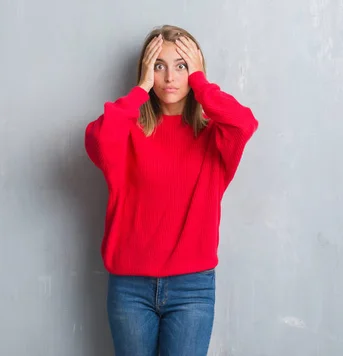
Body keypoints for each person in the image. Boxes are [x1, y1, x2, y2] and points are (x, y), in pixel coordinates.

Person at [84, 25, 258, 355]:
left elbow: (244, 123)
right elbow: (97, 139)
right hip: (130, 287)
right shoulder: (127, 131)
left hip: (192, 288)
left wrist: (202, 86)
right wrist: (140, 90)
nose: (169, 77)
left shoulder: (215, 137)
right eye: (158, 65)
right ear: (147, 71)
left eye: (181, 65)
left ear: (195, 71)